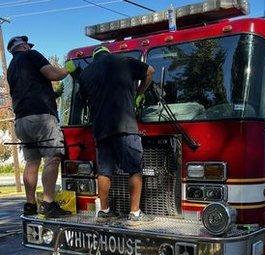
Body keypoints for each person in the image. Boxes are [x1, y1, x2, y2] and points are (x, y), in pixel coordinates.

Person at [78, 46, 155, 222]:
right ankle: (135, 213)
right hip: (125, 126)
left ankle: (104, 211)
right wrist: (138, 93)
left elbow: (83, 98)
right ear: (108, 53)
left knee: (104, 171)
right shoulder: (123, 61)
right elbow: (150, 71)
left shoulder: (86, 73)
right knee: (134, 169)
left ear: (94, 57)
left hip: (101, 130)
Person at [7, 35, 75, 218]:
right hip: (41, 119)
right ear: (23, 46)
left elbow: (31, 88)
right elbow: (53, 74)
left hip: (22, 121)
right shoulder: (32, 55)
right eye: (27, 45)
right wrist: (67, 70)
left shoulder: (11, 67)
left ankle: (30, 205)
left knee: (32, 162)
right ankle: (48, 203)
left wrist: (54, 94)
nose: (29, 47)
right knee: (52, 158)